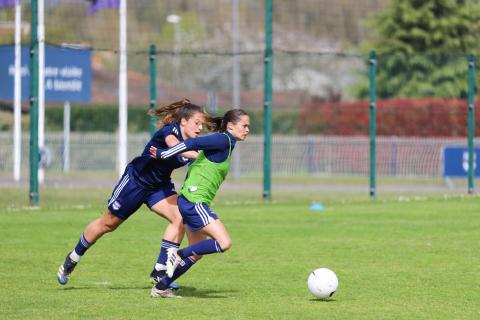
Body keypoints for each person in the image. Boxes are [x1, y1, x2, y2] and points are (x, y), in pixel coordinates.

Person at [56, 99, 205, 289]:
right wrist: (204, 153)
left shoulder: (194, 143)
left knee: (180, 218)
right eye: (196, 123)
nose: (200, 128)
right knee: (107, 225)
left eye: (202, 124)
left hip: (159, 187)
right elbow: (175, 147)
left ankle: (160, 271)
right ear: (183, 121)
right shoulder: (170, 132)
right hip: (135, 183)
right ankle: (73, 257)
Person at [148, 109, 250, 298]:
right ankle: (178, 254)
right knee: (224, 243)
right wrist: (163, 154)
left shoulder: (227, 143)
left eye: (248, 126)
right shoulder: (223, 140)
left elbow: (197, 156)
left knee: (197, 253)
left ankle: (161, 288)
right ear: (230, 126)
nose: (247, 130)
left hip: (190, 201)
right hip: (194, 202)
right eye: (244, 125)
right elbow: (192, 143)